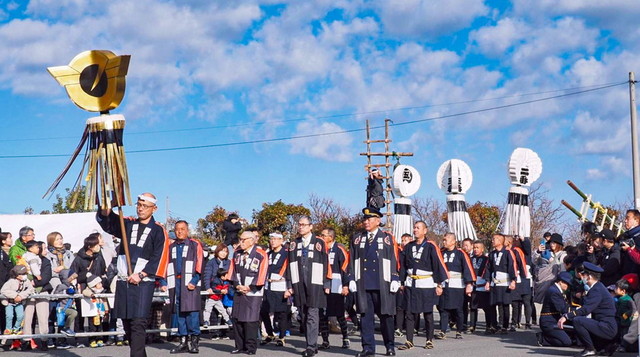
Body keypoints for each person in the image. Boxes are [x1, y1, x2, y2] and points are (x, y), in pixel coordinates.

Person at [96, 192, 170, 357]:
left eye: (145, 206)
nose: (140, 209)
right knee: (127, 323)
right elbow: (108, 222)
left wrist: (142, 274)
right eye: (138, 205)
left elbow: (160, 257)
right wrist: (109, 206)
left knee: (138, 322)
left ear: (154, 209)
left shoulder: (159, 230)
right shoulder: (127, 224)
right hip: (124, 281)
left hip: (143, 282)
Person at [349, 207, 400, 357]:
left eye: (369, 219)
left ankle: (389, 346)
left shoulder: (387, 237)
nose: (366, 222)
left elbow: (394, 259)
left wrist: (395, 277)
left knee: (386, 317)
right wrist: (351, 278)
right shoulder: (357, 238)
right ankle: (368, 348)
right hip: (364, 284)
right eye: (365, 219)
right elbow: (352, 260)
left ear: (378, 221)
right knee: (365, 318)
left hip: (382, 283)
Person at [398, 221, 447, 350]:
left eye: (418, 228)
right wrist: (401, 282)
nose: (415, 230)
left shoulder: (431, 246)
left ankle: (429, 340)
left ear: (425, 231)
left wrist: (439, 284)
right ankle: (409, 341)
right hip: (410, 283)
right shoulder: (408, 246)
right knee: (409, 312)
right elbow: (403, 265)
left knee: (427, 313)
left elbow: (438, 264)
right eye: (414, 228)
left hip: (426, 283)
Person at [286, 216, 330, 357]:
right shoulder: (294, 243)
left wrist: (327, 283)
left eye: (304, 225)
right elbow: (289, 265)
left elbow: (326, 263)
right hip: (299, 282)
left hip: (315, 282)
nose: (301, 227)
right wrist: (289, 284)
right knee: (303, 315)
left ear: (311, 226)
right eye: (299, 225)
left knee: (312, 313)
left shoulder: (319, 242)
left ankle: (311, 346)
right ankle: (312, 343)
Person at [161, 220, 203, 354]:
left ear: (187, 230)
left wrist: (195, 280)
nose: (180, 231)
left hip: (190, 282)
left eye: (182, 229)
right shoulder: (170, 247)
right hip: (175, 283)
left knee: (192, 313)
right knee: (179, 313)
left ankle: (194, 342)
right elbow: (164, 265)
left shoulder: (194, 245)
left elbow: (200, 264)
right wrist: (163, 282)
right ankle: (183, 342)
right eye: (177, 229)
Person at [557, 262, 617, 357]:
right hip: (603, 324)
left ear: (589, 277)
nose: (581, 277)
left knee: (578, 321)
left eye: (583, 275)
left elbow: (586, 309)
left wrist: (567, 316)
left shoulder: (597, 290)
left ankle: (590, 349)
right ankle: (604, 346)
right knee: (582, 321)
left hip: (607, 326)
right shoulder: (597, 287)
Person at [227, 230, 268, 355]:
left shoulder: (261, 254)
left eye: (243, 240)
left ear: (252, 240)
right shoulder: (237, 253)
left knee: (250, 320)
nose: (241, 242)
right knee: (237, 318)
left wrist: (250, 287)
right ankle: (239, 346)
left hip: (253, 292)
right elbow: (231, 271)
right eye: (240, 239)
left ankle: (250, 347)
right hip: (239, 289)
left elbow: (262, 273)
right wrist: (236, 285)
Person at [68, 234, 108, 348]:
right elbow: (72, 275)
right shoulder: (79, 258)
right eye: (95, 245)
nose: (98, 247)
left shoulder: (99, 256)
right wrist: (85, 276)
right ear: (90, 246)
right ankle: (79, 338)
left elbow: (103, 270)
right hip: (83, 288)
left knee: (96, 313)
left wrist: (100, 284)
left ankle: (96, 337)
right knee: (80, 314)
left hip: (97, 287)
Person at [436, 232, 475, 340]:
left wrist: (469, 284)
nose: (444, 241)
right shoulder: (441, 252)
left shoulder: (461, 253)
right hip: (444, 285)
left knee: (458, 309)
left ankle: (459, 330)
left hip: (457, 285)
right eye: (443, 239)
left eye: (446, 239)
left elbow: (467, 268)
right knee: (443, 308)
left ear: (453, 241)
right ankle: (443, 330)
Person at [318, 228, 351, 350]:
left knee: (339, 314)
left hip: (337, 284)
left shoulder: (339, 249)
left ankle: (345, 338)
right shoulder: (320, 248)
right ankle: (325, 341)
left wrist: (346, 285)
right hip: (322, 284)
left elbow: (346, 267)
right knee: (323, 314)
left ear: (330, 237)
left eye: (323, 235)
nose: (321, 237)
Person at [260, 232, 290, 347]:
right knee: (264, 311)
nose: (273, 241)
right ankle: (270, 333)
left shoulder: (286, 254)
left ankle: (281, 337)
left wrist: (289, 288)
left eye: (276, 239)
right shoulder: (269, 253)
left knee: (281, 312)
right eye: (271, 239)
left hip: (281, 285)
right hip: (268, 285)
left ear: (281, 241)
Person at [22, 241, 51, 351]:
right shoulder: (28, 259)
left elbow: (46, 276)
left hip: (42, 290)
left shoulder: (46, 261)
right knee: (27, 316)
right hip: (29, 291)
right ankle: (26, 340)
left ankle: (44, 340)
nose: (44, 250)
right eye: (42, 248)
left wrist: (35, 282)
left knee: (43, 317)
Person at [485, 233, 517, 334]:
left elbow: (512, 267)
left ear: (500, 241)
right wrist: (487, 281)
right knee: (493, 304)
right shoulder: (491, 254)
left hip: (505, 282)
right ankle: (494, 325)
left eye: (494, 239)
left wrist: (513, 280)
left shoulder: (508, 253)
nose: (492, 241)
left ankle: (504, 326)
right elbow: (488, 269)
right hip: (494, 283)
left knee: (505, 305)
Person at [536, 271, 572, 347]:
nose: (567, 286)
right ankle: (543, 339)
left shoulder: (556, 290)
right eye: (566, 284)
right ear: (560, 282)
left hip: (555, 319)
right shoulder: (554, 291)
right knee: (566, 342)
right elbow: (562, 309)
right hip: (549, 322)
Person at [203, 244, 232, 332]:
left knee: (224, 309)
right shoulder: (211, 262)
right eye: (222, 251)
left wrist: (229, 288)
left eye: (225, 251)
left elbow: (231, 276)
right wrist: (208, 287)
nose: (223, 253)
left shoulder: (229, 262)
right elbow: (207, 275)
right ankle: (213, 330)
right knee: (210, 309)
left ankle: (225, 331)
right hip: (214, 288)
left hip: (226, 288)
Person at [1, 265, 33, 338]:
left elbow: (30, 290)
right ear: (17, 275)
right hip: (9, 302)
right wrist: (15, 295)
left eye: (25, 274)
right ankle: (8, 329)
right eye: (22, 274)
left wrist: (21, 296)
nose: (24, 275)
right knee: (9, 316)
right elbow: (3, 291)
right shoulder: (10, 281)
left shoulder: (26, 281)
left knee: (20, 316)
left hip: (19, 303)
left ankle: (16, 328)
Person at [469, 240, 490, 333]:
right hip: (474, 285)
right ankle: (472, 325)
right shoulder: (471, 258)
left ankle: (488, 325)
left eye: (478, 248)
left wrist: (487, 281)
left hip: (483, 285)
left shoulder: (486, 259)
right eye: (474, 248)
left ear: (482, 249)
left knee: (486, 307)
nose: (476, 250)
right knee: (473, 307)